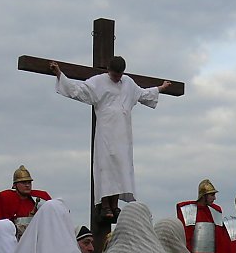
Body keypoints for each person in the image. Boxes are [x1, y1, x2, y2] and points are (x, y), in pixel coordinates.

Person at [50, 58, 172, 222]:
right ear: (108, 69)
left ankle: (115, 205)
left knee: (121, 168)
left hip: (123, 134)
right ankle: (105, 204)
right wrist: (59, 74)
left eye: (120, 74)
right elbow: (78, 91)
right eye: (115, 74)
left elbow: (143, 94)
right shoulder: (99, 82)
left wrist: (161, 88)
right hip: (106, 132)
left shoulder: (128, 83)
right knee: (106, 166)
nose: (117, 78)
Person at [0, 165, 51, 232]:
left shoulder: (40, 198)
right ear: (14, 185)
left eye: (29, 182)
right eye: (23, 182)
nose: (27, 185)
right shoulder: (5, 198)